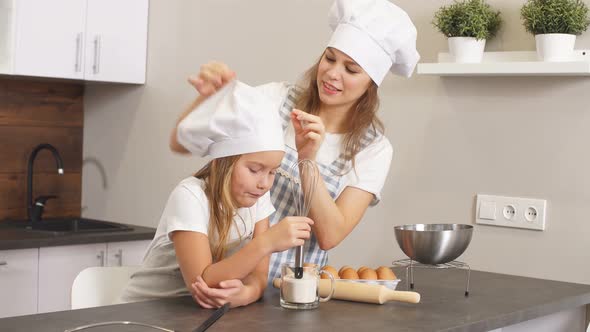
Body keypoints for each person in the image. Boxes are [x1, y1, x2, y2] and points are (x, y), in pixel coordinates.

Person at [170, 0, 420, 303]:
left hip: (288, 293)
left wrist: (307, 160)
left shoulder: (373, 148)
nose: (332, 74)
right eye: (330, 59)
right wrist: (208, 100)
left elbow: (330, 235)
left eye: (351, 69)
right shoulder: (274, 100)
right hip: (217, 275)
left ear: (371, 84)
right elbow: (182, 143)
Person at [120, 81, 314, 308]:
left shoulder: (258, 198)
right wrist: (268, 242)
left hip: (194, 315)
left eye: (272, 172)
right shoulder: (190, 196)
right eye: (254, 169)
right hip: (144, 313)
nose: (264, 183)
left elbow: (259, 278)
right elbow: (203, 282)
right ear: (225, 162)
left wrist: (246, 294)